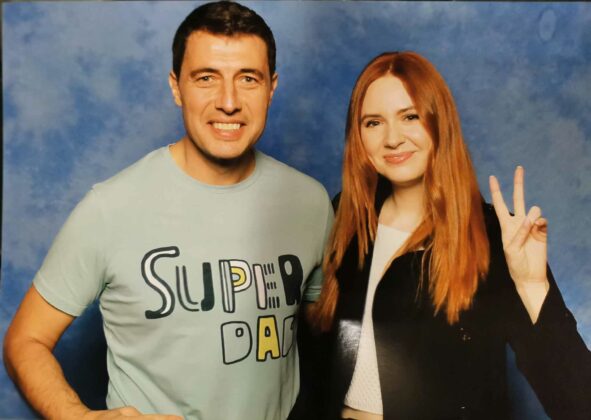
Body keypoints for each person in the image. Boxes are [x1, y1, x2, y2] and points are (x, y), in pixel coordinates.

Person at [3, 2, 333, 419]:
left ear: (272, 88)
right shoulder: (110, 208)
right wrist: (79, 417)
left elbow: (329, 324)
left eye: (248, 79)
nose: (228, 102)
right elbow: (25, 340)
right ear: (176, 87)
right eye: (206, 78)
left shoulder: (309, 202)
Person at [307, 51, 591, 420]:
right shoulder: (346, 218)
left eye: (410, 117)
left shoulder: (493, 236)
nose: (392, 138)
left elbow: (577, 402)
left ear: (439, 123)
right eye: (373, 122)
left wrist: (533, 287)